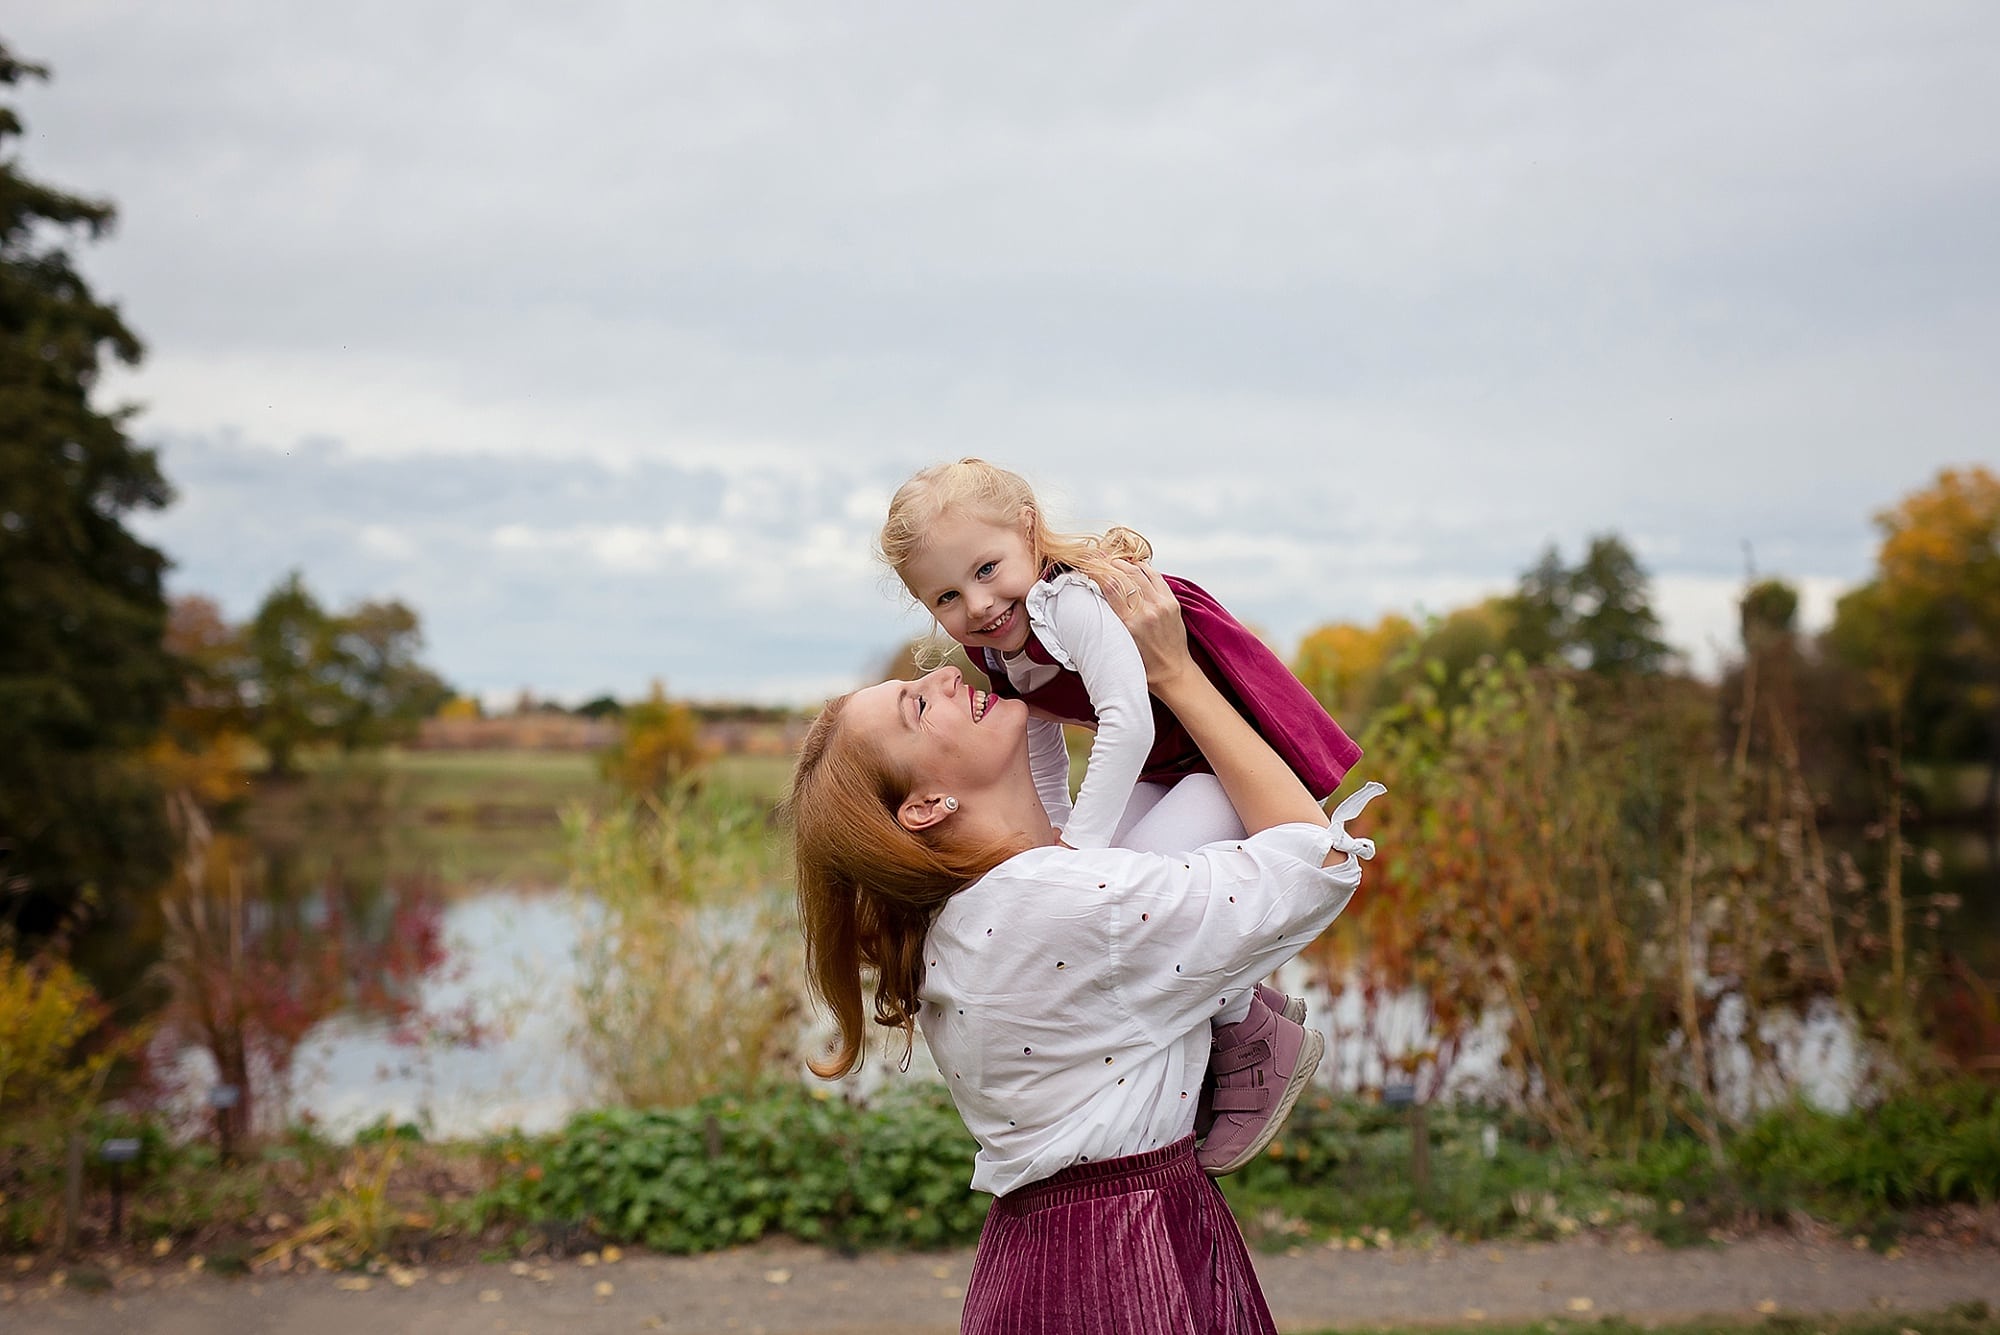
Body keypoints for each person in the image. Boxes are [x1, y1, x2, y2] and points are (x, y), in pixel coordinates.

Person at [791, 558, 1381, 1333]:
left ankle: (1246, 1025)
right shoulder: (1059, 907)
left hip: (1076, 1250)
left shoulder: (997, 900)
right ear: (929, 804)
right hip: (1119, 1268)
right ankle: (1249, 1030)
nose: (938, 678)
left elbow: (1097, 805)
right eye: (915, 707)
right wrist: (1175, 674)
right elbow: (1320, 859)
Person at [878, 457, 1364, 1172]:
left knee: (1131, 873)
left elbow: (1127, 722)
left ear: (1029, 530)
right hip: (1168, 759)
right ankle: (1235, 1010)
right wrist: (1049, 840)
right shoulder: (995, 643)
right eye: (947, 595)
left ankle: (1252, 1033)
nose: (978, 604)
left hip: (1220, 748)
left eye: (987, 569)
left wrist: (1080, 848)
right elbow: (1037, 736)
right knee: (1123, 891)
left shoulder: (1068, 603)